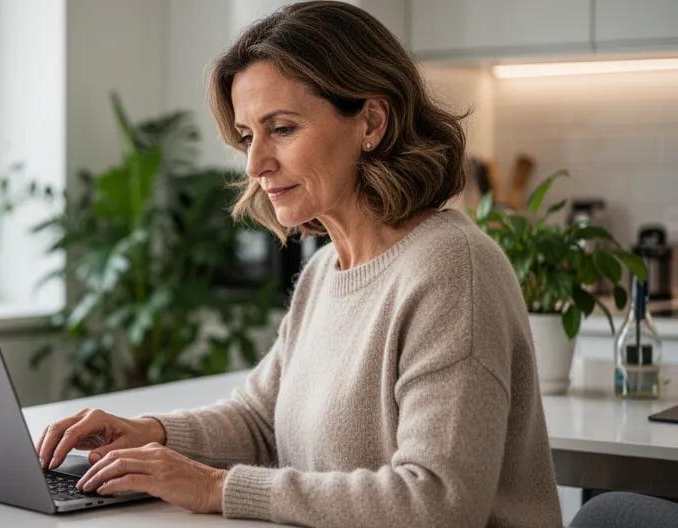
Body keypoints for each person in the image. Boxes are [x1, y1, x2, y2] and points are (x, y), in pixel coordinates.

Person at [36, 2, 561, 526]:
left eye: (282, 128)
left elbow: (438, 500)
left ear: (371, 122)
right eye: (247, 136)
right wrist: (153, 432)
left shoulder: (451, 268)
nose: (255, 163)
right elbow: (262, 419)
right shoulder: (325, 270)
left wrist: (216, 486)